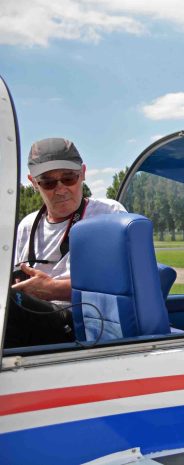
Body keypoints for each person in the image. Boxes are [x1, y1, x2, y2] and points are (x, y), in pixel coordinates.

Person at [7, 138, 126, 347]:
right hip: (35, 321)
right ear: (33, 182)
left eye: (69, 178)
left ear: (83, 173)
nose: (60, 189)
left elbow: (123, 284)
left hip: (86, 324)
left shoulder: (109, 214)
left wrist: (53, 289)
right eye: (48, 182)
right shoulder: (27, 225)